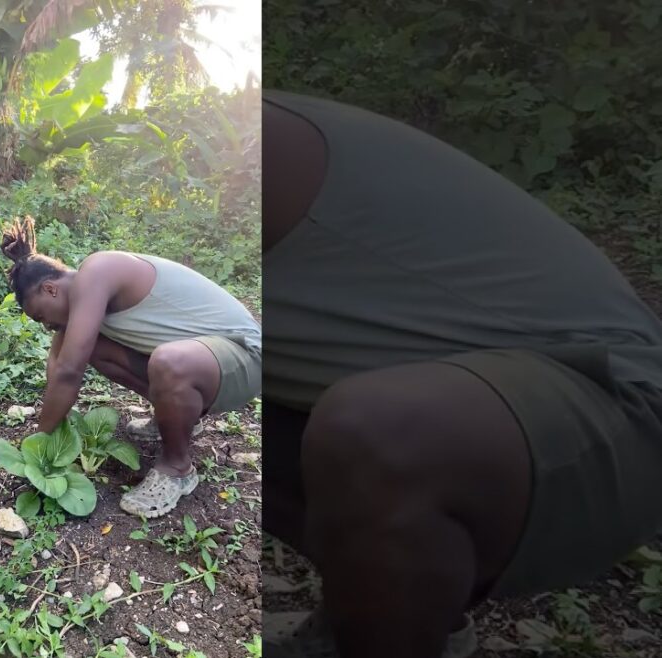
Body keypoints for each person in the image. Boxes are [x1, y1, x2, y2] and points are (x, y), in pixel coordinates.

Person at [265, 88, 662, 658]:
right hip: (467, 399)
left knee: (378, 429)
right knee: (190, 378)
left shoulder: (245, 150)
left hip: (614, 407)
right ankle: (386, 614)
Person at [0, 216, 260, 518]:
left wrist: (36, 446)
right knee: (93, 347)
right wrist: (40, 449)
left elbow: (70, 372)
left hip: (245, 357)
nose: (47, 326)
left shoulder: (98, 271)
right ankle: (180, 417)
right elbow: (58, 370)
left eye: (41, 316)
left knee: (168, 361)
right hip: (206, 362)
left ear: (50, 289)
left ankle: (177, 468)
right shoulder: (81, 309)